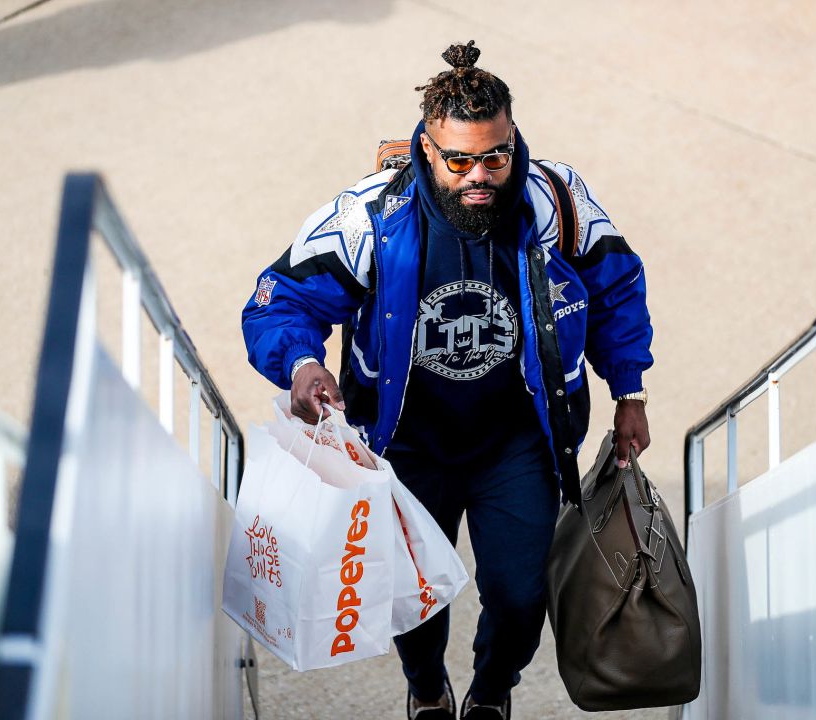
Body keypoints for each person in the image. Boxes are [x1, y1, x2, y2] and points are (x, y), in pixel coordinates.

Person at [240, 40, 653, 720]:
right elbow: (279, 299)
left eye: (496, 155)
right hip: (407, 444)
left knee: (522, 596)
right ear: (427, 150)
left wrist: (629, 389)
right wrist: (302, 364)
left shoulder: (555, 202)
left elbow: (617, 288)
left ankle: (492, 694)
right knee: (413, 597)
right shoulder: (371, 217)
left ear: (513, 140)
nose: (479, 176)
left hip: (516, 441)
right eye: (459, 160)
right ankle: (428, 691)